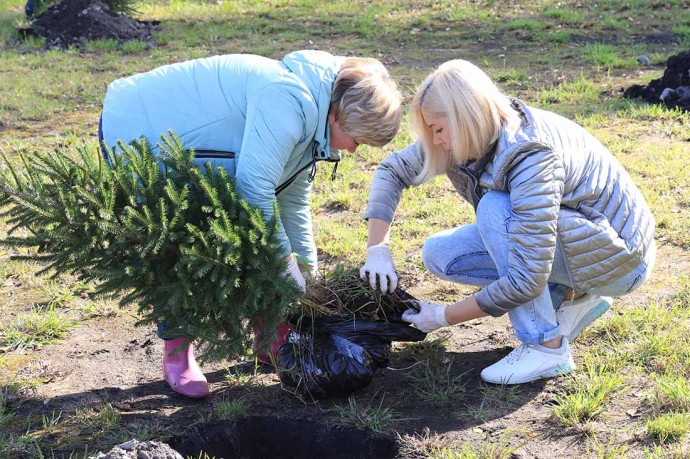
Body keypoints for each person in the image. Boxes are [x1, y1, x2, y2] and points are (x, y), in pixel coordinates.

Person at [100, 50, 403, 398]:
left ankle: (270, 335)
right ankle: (177, 352)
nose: (352, 151)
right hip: (144, 133)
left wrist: (308, 272)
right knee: (185, 243)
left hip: (207, 158)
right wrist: (286, 264)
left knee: (263, 234)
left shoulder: (314, 127)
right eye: (357, 140)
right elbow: (254, 190)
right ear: (338, 117)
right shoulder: (287, 102)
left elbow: (291, 202)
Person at [360, 59, 655, 385]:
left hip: (621, 260)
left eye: (439, 130)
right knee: (440, 253)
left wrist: (443, 316)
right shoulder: (468, 138)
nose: (436, 141)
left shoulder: (530, 155)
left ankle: (546, 346)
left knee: (495, 210)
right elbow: (392, 171)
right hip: (579, 243)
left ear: (466, 118)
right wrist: (377, 248)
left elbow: (527, 277)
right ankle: (575, 298)